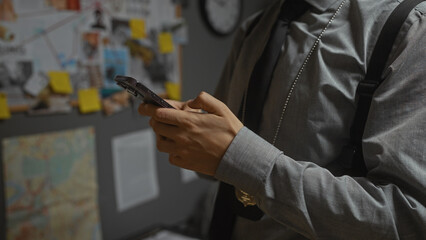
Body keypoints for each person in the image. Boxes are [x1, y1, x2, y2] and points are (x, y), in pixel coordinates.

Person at [139, 0, 426, 239]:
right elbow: (216, 162)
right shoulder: (252, 30)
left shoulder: (408, 31)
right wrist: (193, 136)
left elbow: (408, 219)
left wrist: (239, 157)